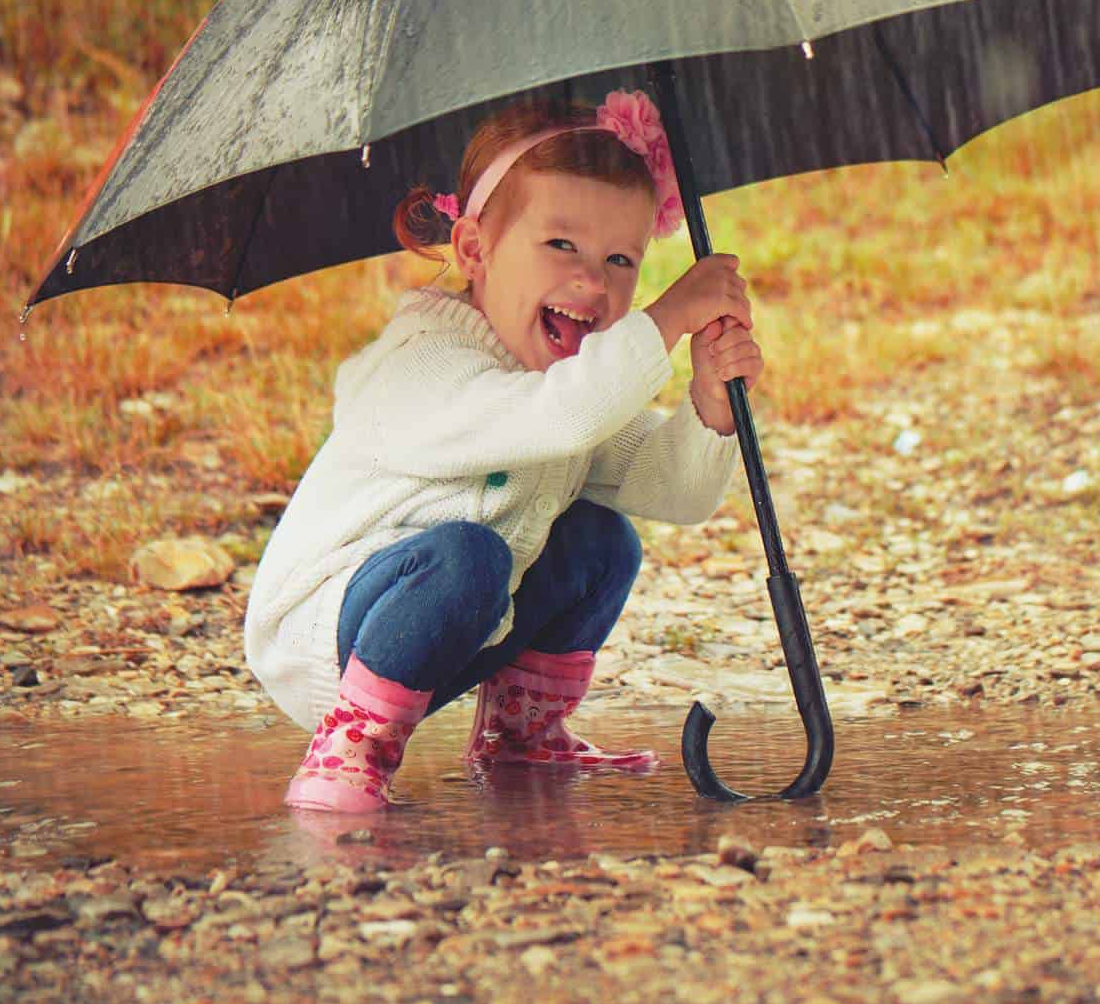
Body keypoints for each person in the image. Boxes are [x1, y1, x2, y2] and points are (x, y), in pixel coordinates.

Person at [244, 89, 759, 812]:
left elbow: (674, 490)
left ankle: (520, 733)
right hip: (333, 641)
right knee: (469, 556)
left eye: (621, 258)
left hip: (455, 633)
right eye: (561, 246)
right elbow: (565, 417)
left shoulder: (560, 385)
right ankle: (351, 746)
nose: (593, 281)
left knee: (601, 540)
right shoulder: (422, 363)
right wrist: (668, 316)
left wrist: (711, 401)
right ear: (474, 249)